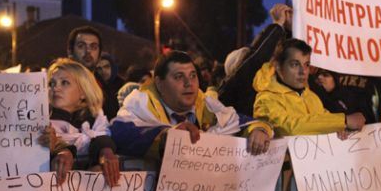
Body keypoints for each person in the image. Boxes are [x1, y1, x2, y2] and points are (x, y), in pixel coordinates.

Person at [111, 51, 273, 161]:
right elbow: (121, 132)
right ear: (159, 83)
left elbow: (238, 121)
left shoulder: (207, 104)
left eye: (193, 76)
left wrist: (258, 129)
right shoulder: (139, 103)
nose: (189, 83)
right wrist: (167, 137)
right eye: (179, 76)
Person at [253, 38, 366, 137]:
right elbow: (288, 128)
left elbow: (325, 121)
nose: (303, 72)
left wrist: (339, 130)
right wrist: (343, 121)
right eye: (295, 64)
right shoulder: (266, 99)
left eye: (307, 65)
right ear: (278, 67)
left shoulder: (311, 97)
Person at [39, 58, 120, 187]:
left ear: (83, 91)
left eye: (64, 82)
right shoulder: (41, 122)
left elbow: (101, 135)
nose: (56, 88)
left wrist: (106, 151)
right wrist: (54, 150)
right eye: (51, 83)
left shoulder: (95, 117)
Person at [218, 3, 292, 117]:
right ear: (234, 69)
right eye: (245, 58)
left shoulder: (263, 84)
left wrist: (289, 30)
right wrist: (277, 25)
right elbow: (258, 58)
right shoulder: (235, 86)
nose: (249, 58)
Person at [96, 53, 125, 120]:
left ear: (113, 67)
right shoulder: (95, 87)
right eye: (99, 68)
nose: (103, 71)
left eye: (106, 67)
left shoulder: (123, 86)